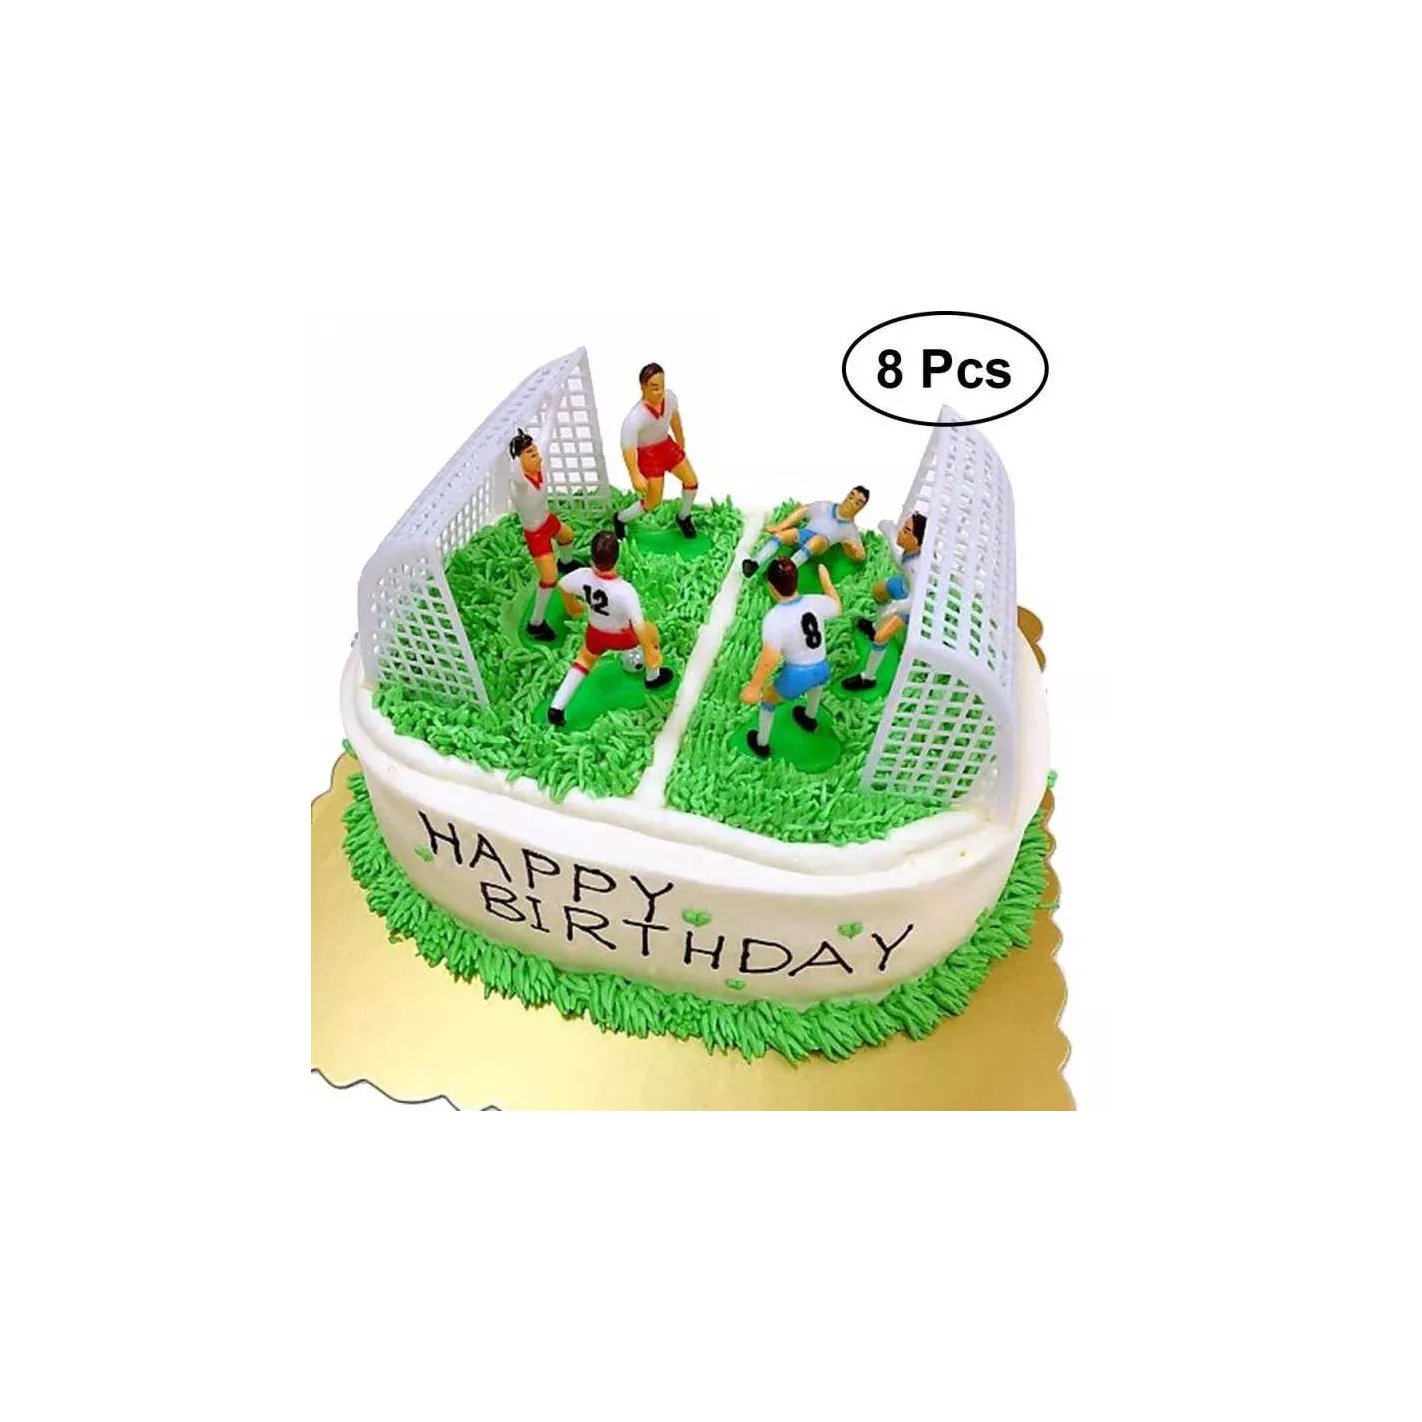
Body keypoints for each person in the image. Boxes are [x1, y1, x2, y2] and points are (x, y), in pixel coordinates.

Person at [547, 530, 674, 726]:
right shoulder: (624, 590)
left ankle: (556, 707)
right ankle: (652, 677)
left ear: (591, 558)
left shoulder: (582, 576)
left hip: (595, 633)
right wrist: (649, 650)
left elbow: (563, 585)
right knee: (652, 632)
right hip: (623, 637)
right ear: (617, 559)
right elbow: (639, 626)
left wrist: (573, 607)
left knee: (582, 662)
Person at [740, 558, 841, 758]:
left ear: (771, 587)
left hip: (797, 674)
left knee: (768, 699)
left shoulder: (774, 618)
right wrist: (827, 583)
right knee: (816, 687)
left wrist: (754, 686)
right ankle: (809, 717)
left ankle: (761, 742)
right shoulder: (814, 601)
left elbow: (770, 658)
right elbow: (837, 608)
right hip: (822, 667)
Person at [508, 428, 581, 642]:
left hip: (547, 520)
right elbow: (516, 475)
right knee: (549, 578)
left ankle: (566, 562)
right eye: (531, 454)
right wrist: (515, 458)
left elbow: (546, 436)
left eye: (536, 452)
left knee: (567, 536)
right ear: (519, 461)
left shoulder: (539, 469)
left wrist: (552, 410)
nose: (537, 456)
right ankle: (536, 623)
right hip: (536, 534)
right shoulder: (520, 486)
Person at [615, 362, 700, 540]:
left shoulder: (670, 399)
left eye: (662, 386)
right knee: (653, 501)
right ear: (643, 387)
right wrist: (635, 474)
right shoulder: (635, 417)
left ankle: (683, 516)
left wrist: (680, 440)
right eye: (654, 388)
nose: (660, 392)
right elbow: (628, 447)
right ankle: (621, 518)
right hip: (648, 455)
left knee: (691, 481)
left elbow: (674, 418)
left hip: (666, 446)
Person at [843, 512, 925, 691]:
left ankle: (868, 677)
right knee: (879, 590)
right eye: (903, 528)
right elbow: (899, 559)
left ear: (917, 541)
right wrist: (889, 533)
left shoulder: (917, 569)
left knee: (882, 636)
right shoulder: (910, 553)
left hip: (913, 604)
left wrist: (897, 607)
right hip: (904, 587)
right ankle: (875, 626)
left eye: (907, 531)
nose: (901, 532)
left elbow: (916, 601)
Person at [742, 486, 869, 578]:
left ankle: (786, 572)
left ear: (861, 508)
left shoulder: (850, 529)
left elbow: (860, 554)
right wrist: (780, 527)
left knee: (817, 540)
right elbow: (803, 511)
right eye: (851, 496)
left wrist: (853, 551)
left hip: (821, 544)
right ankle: (755, 563)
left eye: (857, 503)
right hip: (804, 534)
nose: (851, 502)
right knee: (783, 535)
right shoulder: (825, 506)